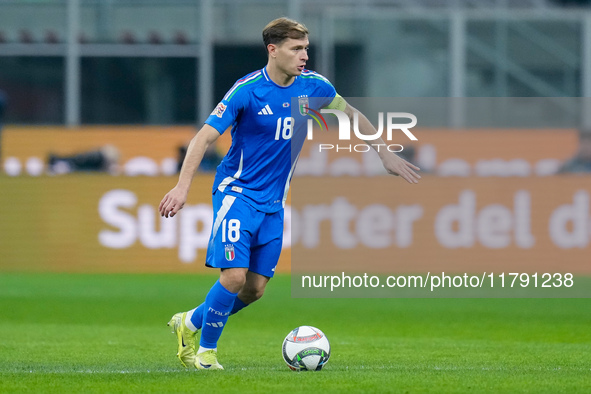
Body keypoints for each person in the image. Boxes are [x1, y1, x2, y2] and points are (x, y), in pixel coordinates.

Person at [158, 17, 421, 370]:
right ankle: (205, 352)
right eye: (296, 49)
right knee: (233, 276)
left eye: (306, 49)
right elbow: (203, 137)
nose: (304, 56)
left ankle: (188, 322)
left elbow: (352, 114)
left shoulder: (314, 87)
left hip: (274, 203)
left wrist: (384, 153)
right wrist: (182, 186)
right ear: (273, 50)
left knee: (254, 290)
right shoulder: (247, 90)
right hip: (237, 193)